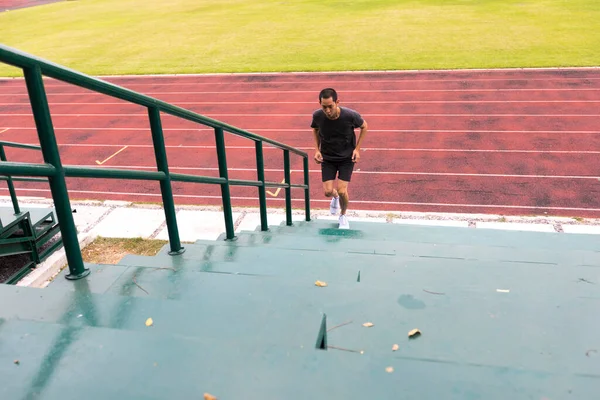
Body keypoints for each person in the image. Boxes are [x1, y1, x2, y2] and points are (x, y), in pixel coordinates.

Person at [310, 88, 368, 229]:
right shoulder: (317, 116)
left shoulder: (350, 115)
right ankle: (335, 198)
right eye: (324, 107)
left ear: (337, 102)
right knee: (328, 192)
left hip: (346, 158)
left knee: (342, 190)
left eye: (330, 106)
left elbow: (364, 126)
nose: (328, 111)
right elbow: (315, 129)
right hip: (328, 158)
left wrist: (357, 149)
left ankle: (343, 214)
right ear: (319, 103)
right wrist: (317, 149)